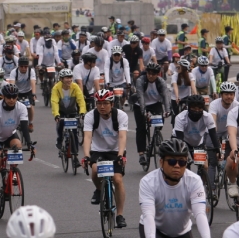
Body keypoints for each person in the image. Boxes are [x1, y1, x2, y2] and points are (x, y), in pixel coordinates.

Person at [138, 138, 210, 238]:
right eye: (172, 161)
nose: (177, 166)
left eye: (182, 162)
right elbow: (148, 216)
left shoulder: (194, 181)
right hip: (156, 229)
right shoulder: (148, 182)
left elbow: (200, 214)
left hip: (182, 232)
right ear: (161, 162)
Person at [83, 89, 128, 228]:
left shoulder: (121, 115)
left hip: (115, 151)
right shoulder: (90, 116)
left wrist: (121, 154)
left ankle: (120, 215)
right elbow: (87, 136)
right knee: (95, 170)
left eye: (105, 103)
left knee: (117, 180)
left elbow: (122, 136)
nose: (102, 106)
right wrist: (86, 156)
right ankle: (98, 189)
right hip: (98, 150)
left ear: (112, 104)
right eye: (99, 103)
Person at [0, 83, 33, 211]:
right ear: (4, 97)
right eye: (8, 97)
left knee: (18, 146)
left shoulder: (21, 107)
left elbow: (24, 128)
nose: (11, 99)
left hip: (10, 135)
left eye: (14, 97)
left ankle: (12, 173)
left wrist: (29, 144)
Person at [133, 62, 170, 166]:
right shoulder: (141, 80)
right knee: (141, 128)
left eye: (153, 74)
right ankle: (141, 154)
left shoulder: (161, 82)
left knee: (160, 122)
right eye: (149, 73)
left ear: (157, 74)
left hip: (155, 104)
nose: (151, 76)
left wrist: (167, 110)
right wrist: (143, 111)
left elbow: (166, 96)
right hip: (140, 104)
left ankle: (156, 136)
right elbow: (140, 96)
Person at [51, 69, 86, 150]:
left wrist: (82, 112)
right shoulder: (56, 88)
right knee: (60, 125)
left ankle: (75, 155)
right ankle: (59, 139)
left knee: (74, 133)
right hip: (61, 112)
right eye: (67, 78)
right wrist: (56, 114)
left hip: (72, 111)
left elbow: (81, 100)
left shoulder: (75, 87)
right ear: (61, 79)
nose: (69, 80)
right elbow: (54, 102)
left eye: (70, 77)